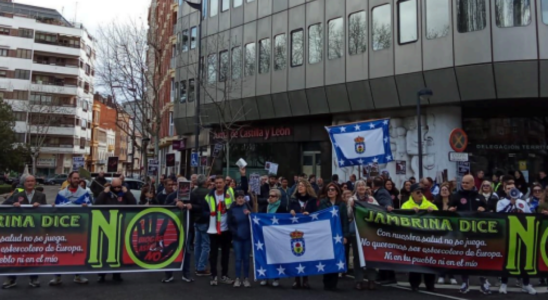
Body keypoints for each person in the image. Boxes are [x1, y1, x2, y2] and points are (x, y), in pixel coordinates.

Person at [2, 175, 45, 289]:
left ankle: (34, 279)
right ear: (24, 183)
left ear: (35, 182)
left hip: (35, 232)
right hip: (19, 232)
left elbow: (47, 212)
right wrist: (13, 205)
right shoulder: (17, 195)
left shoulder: (41, 196)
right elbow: (4, 207)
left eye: (32, 181)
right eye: (28, 181)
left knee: (34, 256)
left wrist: (41, 207)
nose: (30, 183)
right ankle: (11, 279)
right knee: (16, 255)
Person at [448, 174, 489, 294]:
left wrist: (484, 210)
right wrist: (451, 210)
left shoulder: (480, 197)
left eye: (467, 183)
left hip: (478, 235)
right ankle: (465, 282)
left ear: (473, 184)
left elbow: (489, 214)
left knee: (480, 258)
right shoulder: (456, 196)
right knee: (464, 258)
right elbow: (450, 210)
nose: (464, 184)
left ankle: (484, 282)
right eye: (463, 183)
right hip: (462, 233)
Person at [50, 171, 90, 286]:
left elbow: (92, 209)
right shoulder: (61, 194)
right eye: (74, 178)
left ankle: (78, 276)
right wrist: (53, 207)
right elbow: (56, 212)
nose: (76, 180)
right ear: (69, 179)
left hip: (79, 229)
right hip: (64, 229)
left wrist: (87, 207)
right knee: (60, 252)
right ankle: (57, 277)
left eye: (78, 178)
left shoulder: (85, 194)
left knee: (78, 252)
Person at [496, 183, 536, 295]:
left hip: (522, 235)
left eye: (512, 188)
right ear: (505, 190)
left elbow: (531, 216)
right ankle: (504, 284)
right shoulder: (501, 202)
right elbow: (499, 215)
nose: (511, 190)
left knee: (524, 259)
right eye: (508, 188)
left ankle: (526, 284)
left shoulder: (522, 203)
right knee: (507, 260)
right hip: (507, 235)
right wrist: (510, 204)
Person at [95, 178, 136, 282]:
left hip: (121, 225)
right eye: (115, 187)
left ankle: (117, 274)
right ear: (111, 186)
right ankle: (102, 274)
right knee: (105, 251)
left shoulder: (125, 193)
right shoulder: (106, 193)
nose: (117, 189)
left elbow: (133, 204)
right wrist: (104, 193)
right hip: (106, 225)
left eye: (119, 186)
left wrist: (127, 193)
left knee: (118, 251)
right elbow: (97, 204)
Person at [259, 188, 299, 287]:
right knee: (265, 257)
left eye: (273, 196)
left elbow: (287, 218)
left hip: (277, 237)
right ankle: (265, 277)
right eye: (269, 196)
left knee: (276, 257)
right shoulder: (266, 207)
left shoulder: (282, 207)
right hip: (266, 235)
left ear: (278, 197)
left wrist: (292, 212)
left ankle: (276, 278)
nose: (270, 198)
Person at [401, 183, 437, 292]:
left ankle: (430, 284)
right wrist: (410, 212)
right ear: (412, 193)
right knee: (415, 261)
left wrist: (434, 212)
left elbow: (441, 219)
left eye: (421, 191)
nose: (420, 193)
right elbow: (400, 219)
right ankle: (414, 284)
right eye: (417, 191)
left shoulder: (430, 204)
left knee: (429, 261)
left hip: (428, 239)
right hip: (414, 239)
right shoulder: (406, 205)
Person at [347, 180, 378, 290]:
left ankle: (371, 279)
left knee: (371, 255)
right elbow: (349, 215)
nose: (361, 187)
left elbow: (378, 212)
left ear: (366, 187)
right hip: (356, 231)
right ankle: (359, 280)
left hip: (369, 231)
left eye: (363, 185)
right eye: (358, 185)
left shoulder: (371, 199)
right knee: (357, 256)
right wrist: (351, 206)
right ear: (356, 188)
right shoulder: (352, 199)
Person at [163, 176, 194, 284]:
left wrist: (191, 205)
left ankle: (186, 275)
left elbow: (201, 207)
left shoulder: (192, 196)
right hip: (172, 229)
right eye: (181, 185)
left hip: (187, 228)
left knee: (187, 251)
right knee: (170, 250)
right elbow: (164, 208)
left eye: (185, 185)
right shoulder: (171, 196)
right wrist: (174, 204)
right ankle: (169, 275)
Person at [205, 175, 235, 286]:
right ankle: (214, 275)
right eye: (216, 183)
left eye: (220, 182)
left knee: (226, 254)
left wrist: (242, 176)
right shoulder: (208, 196)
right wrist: (209, 214)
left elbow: (241, 197)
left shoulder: (230, 193)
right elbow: (203, 211)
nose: (218, 184)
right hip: (213, 230)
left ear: (224, 184)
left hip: (226, 229)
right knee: (213, 254)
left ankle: (224, 275)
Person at [318, 183, 348, 291]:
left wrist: (345, 236)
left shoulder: (342, 205)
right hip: (326, 234)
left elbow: (345, 221)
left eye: (332, 189)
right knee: (327, 257)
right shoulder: (322, 203)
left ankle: (333, 283)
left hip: (338, 235)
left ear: (336, 192)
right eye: (328, 190)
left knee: (336, 257)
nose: (330, 191)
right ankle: (326, 282)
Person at [290, 179, 318, 289]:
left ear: (307, 187)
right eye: (299, 185)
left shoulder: (312, 200)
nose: (300, 187)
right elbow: (289, 209)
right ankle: (296, 279)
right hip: (296, 229)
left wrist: (309, 214)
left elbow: (316, 212)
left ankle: (306, 279)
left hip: (308, 229)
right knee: (296, 253)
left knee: (306, 253)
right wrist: (291, 211)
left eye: (302, 185)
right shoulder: (293, 199)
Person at [433, 183, 458, 285]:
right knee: (441, 254)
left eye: (446, 189)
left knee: (451, 254)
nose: (444, 191)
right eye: (442, 189)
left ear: (449, 191)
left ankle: (451, 275)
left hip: (452, 231)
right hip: (439, 231)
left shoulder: (454, 203)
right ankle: (441, 275)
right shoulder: (436, 203)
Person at [227, 191, 252, 288]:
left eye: (242, 197)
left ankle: (246, 278)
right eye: (239, 198)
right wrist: (235, 233)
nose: (241, 199)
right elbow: (229, 224)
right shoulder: (232, 209)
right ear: (235, 199)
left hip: (247, 237)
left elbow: (254, 219)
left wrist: (251, 214)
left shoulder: (248, 207)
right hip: (237, 238)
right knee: (238, 259)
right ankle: (237, 278)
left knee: (246, 259)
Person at [192, 174, 212, 277]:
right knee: (205, 245)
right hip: (205, 220)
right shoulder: (208, 193)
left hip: (196, 220)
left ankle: (197, 266)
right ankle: (201, 267)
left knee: (197, 245)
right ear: (205, 182)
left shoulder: (193, 191)